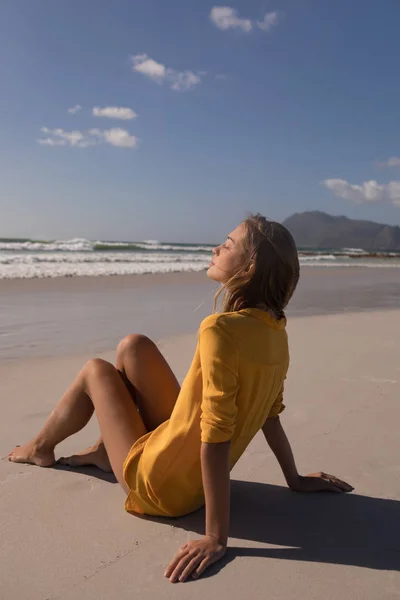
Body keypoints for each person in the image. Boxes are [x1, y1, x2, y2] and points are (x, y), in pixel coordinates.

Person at [8, 213, 353, 583]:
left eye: (228, 244)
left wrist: (215, 537)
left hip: (162, 489)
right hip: (188, 470)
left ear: (250, 266)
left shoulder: (220, 329)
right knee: (134, 346)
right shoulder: (275, 332)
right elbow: (270, 414)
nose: (215, 248)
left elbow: (216, 435)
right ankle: (105, 452)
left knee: (96, 370)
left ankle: (40, 448)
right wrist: (294, 479)